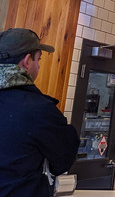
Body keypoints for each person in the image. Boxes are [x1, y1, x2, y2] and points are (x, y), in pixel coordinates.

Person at [0, 28, 79, 197]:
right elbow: (63, 160)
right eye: (38, 59)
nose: (38, 65)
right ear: (27, 61)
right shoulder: (38, 110)